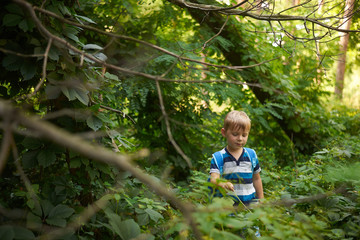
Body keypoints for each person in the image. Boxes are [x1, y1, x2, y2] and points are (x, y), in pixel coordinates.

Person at [209, 110, 264, 206]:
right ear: (224, 132)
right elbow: (213, 179)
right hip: (228, 205)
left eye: (244, 135)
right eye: (235, 134)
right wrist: (223, 183)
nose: (240, 138)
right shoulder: (219, 157)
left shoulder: (251, 154)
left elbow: (256, 179)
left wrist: (261, 199)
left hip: (250, 203)